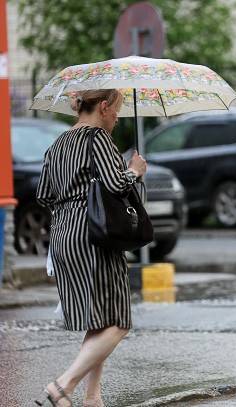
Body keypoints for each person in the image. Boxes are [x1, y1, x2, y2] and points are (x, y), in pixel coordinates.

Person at [35, 89, 147, 406]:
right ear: (102, 106)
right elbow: (116, 184)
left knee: (99, 319)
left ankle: (92, 398)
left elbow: (44, 194)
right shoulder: (97, 138)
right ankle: (62, 385)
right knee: (120, 322)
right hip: (95, 235)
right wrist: (135, 171)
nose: (116, 118)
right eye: (116, 112)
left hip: (63, 235)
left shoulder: (57, 143)